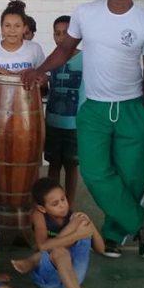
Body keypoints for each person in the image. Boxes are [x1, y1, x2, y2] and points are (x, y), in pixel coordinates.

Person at [23, 0, 144, 259]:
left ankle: (113, 235)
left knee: (131, 177)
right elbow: (65, 49)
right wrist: (40, 70)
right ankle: (140, 220)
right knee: (95, 172)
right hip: (94, 108)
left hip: (131, 106)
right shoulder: (86, 13)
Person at [11, 177, 103, 288]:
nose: (62, 205)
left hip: (75, 277)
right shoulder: (38, 215)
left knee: (79, 223)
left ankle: (33, 260)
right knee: (60, 250)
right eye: (55, 204)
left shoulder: (73, 217)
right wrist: (76, 235)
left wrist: (90, 225)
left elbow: (101, 249)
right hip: (48, 279)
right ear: (42, 208)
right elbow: (42, 246)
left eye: (63, 199)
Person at [44, 16, 85, 209]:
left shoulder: (86, 59)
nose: (61, 38)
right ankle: (52, 204)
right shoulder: (51, 59)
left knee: (71, 165)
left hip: (75, 124)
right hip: (53, 121)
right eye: (57, 33)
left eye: (66, 34)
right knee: (53, 164)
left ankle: (69, 205)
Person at [0, 0, 45, 91]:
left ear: (24, 28)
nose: (12, 30)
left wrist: (37, 76)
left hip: (27, 99)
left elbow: (44, 83)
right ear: (1, 28)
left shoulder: (34, 48)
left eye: (17, 26)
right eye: (7, 25)